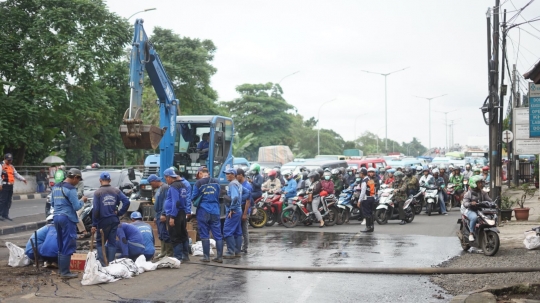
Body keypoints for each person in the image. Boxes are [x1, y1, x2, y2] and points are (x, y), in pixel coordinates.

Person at [50, 168, 85, 278]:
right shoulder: (71, 189)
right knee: (68, 244)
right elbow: (76, 206)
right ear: (75, 177)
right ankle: (65, 272)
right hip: (67, 218)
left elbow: (52, 203)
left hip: (56, 217)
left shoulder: (55, 187)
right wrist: (82, 201)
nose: (78, 182)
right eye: (78, 180)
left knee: (61, 244)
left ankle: (62, 271)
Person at [92, 172, 131, 266]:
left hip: (103, 221)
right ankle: (110, 264)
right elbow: (126, 201)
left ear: (100, 180)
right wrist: (120, 212)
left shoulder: (98, 193)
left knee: (100, 242)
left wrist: (94, 224)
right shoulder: (116, 191)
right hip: (114, 220)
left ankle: (103, 264)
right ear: (110, 180)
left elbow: (96, 209)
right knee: (112, 242)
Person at [192, 167, 222, 262]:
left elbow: (193, 197)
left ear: (201, 173)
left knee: (204, 234)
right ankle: (219, 257)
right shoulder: (216, 182)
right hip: (215, 210)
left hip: (203, 210)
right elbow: (218, 194)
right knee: (217, 234)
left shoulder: (198, 183)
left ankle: (206, 257)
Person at [162, 168, 191, 262]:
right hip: (182, 213)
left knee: (175, 236)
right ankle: (185, 256)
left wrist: (172, 217)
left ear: (170, 177)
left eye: (166, 177)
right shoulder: (182, 185)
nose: (166, 179)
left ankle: (178, 257)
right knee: (183, 234)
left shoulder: (174, 186)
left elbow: (176, 202)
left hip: (174, 214)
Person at [462, 175, 492, 242]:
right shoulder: (468, 193)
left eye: (481, 182)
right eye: (479, 183)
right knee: (474, 217)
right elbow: (465, 203)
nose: (481, 184)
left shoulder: (483, 192)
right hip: (470, 210)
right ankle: (471, 233)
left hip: (481, 210)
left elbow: (489, 200)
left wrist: (493, 204)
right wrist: (470, 203)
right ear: (474, 184)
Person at [149, 174, 172, 259]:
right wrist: (156, 216)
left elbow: (166, 202)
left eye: (151, 183)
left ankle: (169, 253)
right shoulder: (159, 189)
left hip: (162, 213)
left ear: (154, 181)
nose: (151, 185)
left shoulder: (165, 188)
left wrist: (164, 213)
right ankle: (163, 252)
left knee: (164, 233)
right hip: (158, 213)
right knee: (161, 234)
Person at [223, 168, 243, 259]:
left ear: (233, 175)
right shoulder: (238, 184)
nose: (227, 175)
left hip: (233, 211)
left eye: (228, 174)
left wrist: (231, 209)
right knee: (237, 231)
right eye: (226, 174)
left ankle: (231, 252)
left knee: (227, 230)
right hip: (238, 210)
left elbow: (235, 198)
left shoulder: (232, 184)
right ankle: (237, 251)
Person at [0, 153, 27, 221]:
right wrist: (0, 184)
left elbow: (16, 174)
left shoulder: (11, 166)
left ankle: (5, 215)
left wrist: (23, 179)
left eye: (10, 160)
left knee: (8, 201)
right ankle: (1, 215)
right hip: (4, 185)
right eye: (8, 160)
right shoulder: (1, 165)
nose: (10, 161)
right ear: (5, 159)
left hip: (10, 185)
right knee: (3, 201)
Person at [236, 168, 252, 254]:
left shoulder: (247, 186)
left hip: (244, 209)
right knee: (239, 229)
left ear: (241, 175)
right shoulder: (239, 184)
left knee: (244, 230)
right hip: (239, 209)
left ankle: (245, 247)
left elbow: (248, 201)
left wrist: (245, 214)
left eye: (236, 175)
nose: (235, 177)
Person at [357, 168, 376, 232]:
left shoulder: (364, 181)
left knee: (367, 213)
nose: (359, 174)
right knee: (370, 213)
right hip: (372, 198)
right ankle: (371, 227)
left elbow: (363, 192)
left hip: (366, 199)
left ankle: (368, 227)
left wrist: (359, 200)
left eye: (359, 173)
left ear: (362, 174)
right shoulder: (370, 180)